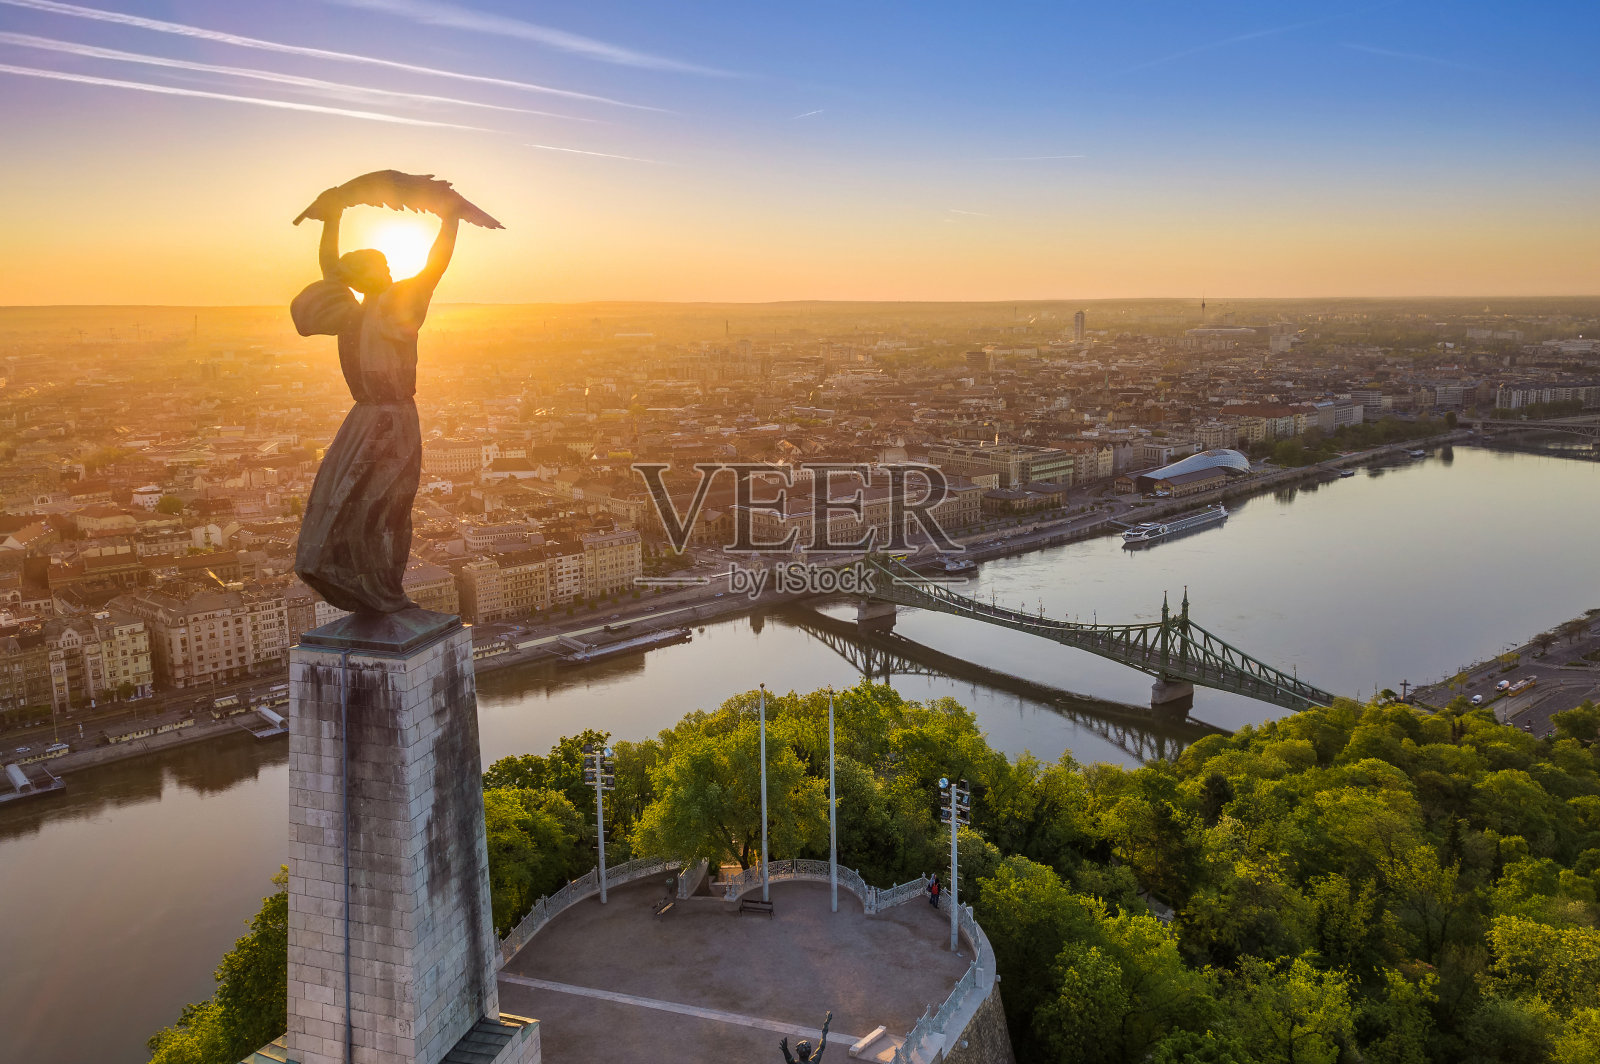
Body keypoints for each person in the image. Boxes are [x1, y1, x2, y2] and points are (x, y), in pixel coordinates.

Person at [290, 191, 459, 614]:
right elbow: (333, 271)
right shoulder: (357, 312)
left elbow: (434, 268)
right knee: (355, 506)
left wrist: (450, 222)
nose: (381, 270)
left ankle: (385, 589)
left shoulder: (389, 306)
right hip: (369, 420)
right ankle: (365, 584)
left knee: (384, 507)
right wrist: (333, 217)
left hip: (391, 418)